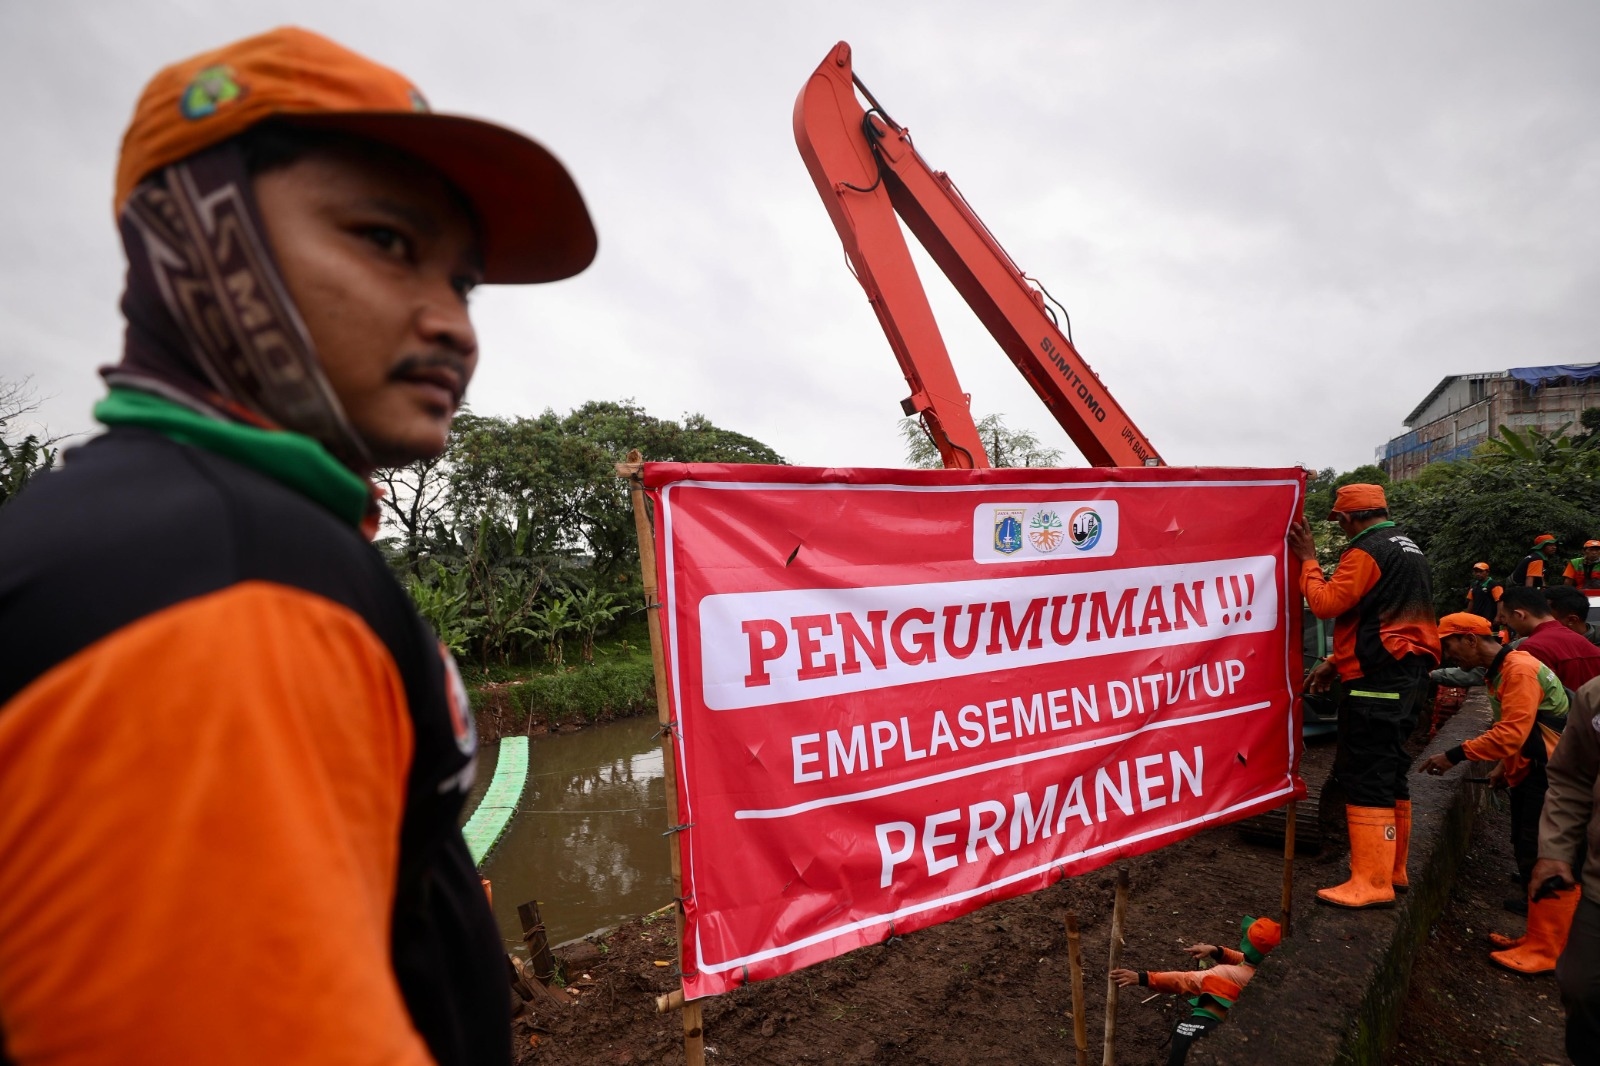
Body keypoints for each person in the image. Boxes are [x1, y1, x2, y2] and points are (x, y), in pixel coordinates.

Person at [0, 28, 595, 1065]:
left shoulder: (170, 525)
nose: (455, 326)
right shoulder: (233, 585)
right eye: (384, 240)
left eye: (464, 281)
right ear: (198, 235)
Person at [1287, 484, 1440, 908]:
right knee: (1389, 769)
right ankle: (1392, 869)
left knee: (1366, 770)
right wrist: (1337, 660)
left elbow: (1325, 603)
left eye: (1338, 519)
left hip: (1379, 678)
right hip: (1406, 672)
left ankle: (1371, 882)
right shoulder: (1408, 547)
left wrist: (1309, 559)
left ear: (1347, 518)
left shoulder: (1367, 550)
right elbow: (1386, 617)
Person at [1419, 614, 1570, 970]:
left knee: (1543, 853)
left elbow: (1510, 734)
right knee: (1525, 847)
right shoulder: (1503, 670)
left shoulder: (1517, 671)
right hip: (1533, 769)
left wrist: (1454, 755)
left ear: (1470, 640)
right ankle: (1538, 936)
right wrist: (1505, 767)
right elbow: (1523, 726)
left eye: (1449, 645)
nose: (1447, 655)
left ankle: (1548, 950)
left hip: (1551, 776)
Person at [1110, 916, 1282, 1065]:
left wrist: (1143, 978)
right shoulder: (1268, 970)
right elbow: (1244, 960)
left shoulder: (1225, 974)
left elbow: (1185, 980)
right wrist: (1217, 951)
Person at [1534, 678, 1600, 1064]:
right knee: (1582, 986)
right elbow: (1572, 777)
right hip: (1597, 881)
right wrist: (1555, 851)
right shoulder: (1594, 696)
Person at [1498, 585, 1600, 692]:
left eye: (1505, 617)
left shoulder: (1531, 648)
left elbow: (1528, 699)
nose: (1505, 623)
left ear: (1519, 615)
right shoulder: (1582, 642)